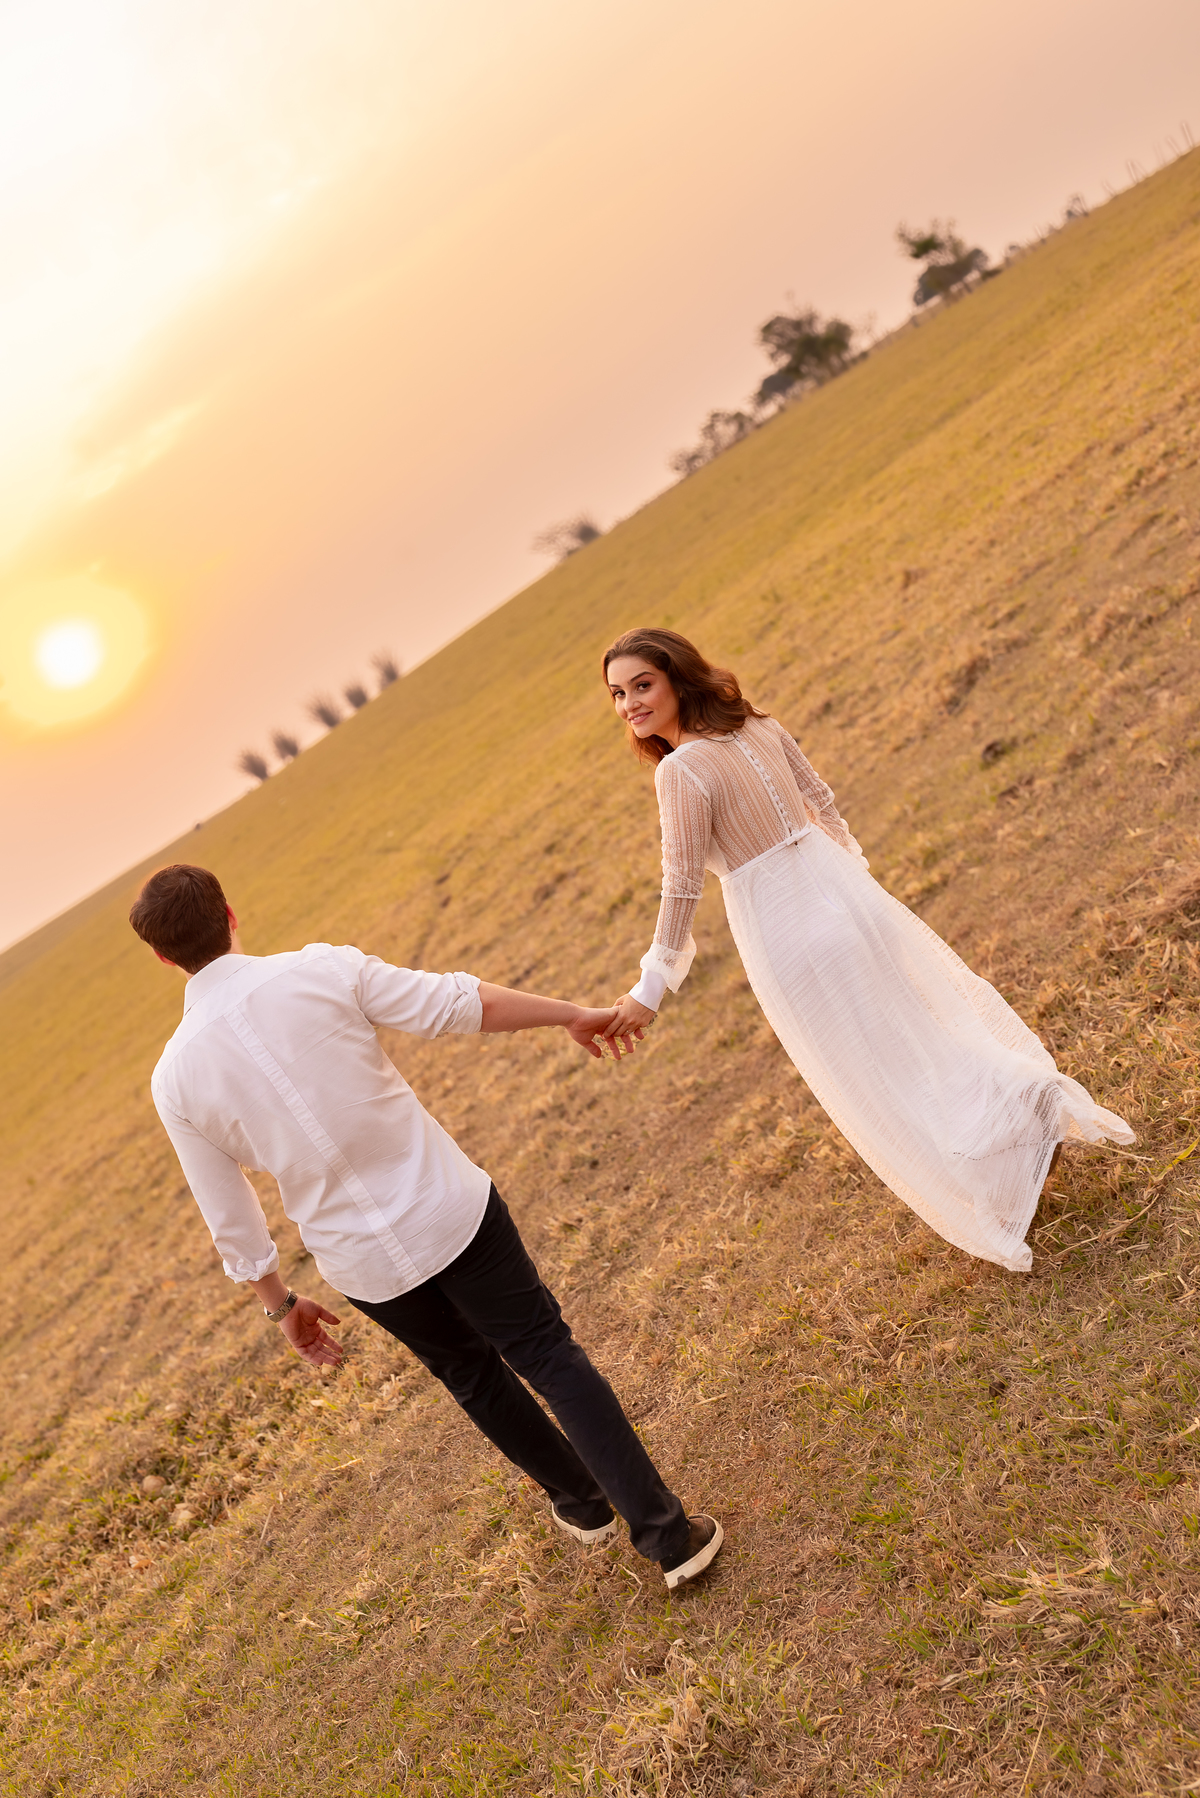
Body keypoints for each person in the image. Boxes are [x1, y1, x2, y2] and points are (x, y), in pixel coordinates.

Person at [129, 863, 721, 1590]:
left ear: (161, 958)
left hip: (362, 1266)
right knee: (547, 1355)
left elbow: (230, 1215)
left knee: (473, 1378)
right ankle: (667, 1537)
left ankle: (584, 1504)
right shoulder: (321, 969)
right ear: (230, 913)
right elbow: (456, 1002)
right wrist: (567, 1012)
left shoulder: (174, 1077)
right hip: (450, 1208)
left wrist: (280, 1305)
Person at [599, 629, 1134, 1273]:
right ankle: (1020, 1113)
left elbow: (681, 882)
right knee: (922, 1033)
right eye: (617, 694)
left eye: (642, 685)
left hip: (786, 927)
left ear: (677, 677)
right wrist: (852, 883)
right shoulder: (758, 726)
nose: (630, 704)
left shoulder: (681, 769)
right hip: (845, 896)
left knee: (885, 1070)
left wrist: (649, 987)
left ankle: (1003, 1157)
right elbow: (821, 800)